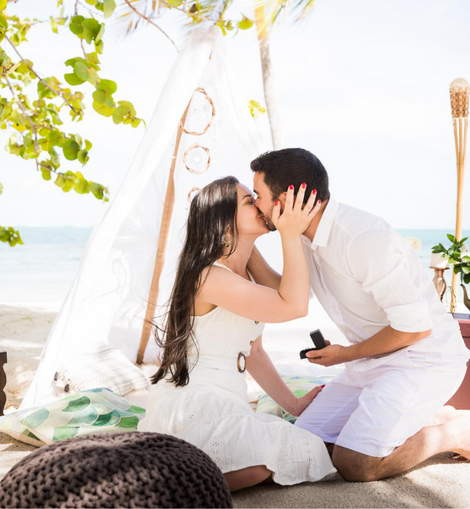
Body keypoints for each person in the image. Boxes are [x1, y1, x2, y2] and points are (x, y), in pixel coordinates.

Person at [248, 147, 470, 482]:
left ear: (289, 198)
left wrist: (343, 355)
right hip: (372, 359)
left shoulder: (364, 238)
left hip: (423, 359)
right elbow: (289, 296)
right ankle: (422, 414)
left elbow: (415, 330)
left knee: (355, 463)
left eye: (258, 196)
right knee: (302, 447)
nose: (256, 205)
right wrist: (243, 245)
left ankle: (454, 431)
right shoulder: (304, 236)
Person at [138, 176, 337, 491]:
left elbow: (255, 351)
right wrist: (289, 233)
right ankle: (156, 482)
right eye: (249, 201)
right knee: (258, 464)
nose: (260, 204)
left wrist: (294, 406)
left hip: (230, 398)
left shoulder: (245, 272)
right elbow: (293, 306)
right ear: (224, 219)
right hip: (194, 395)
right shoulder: (208, 275)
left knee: (307, 446)